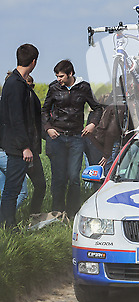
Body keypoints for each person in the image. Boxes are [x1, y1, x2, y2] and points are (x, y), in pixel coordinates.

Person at [42, 59, 103, 218]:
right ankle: (57, 213)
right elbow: (44, 111)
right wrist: (48, 128)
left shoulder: (84, 87)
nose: (58, 79)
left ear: (70, 74)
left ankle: (73, 214)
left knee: (74, 177)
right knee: (59, 178)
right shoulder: (53, 88)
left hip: (77, 137)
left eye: (61, 76)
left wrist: (92, 124)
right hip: (58, 137)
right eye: (57, 76)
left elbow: (97, 108)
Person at [0, 44, 46, 228]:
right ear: (34, 61)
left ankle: (25, 220)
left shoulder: (20, 83)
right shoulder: (15, 85)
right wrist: (25, 147)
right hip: (19, 148)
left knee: (35, 185)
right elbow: (16, 119)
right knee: (12, 190)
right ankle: (8, 227)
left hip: (26, 146)